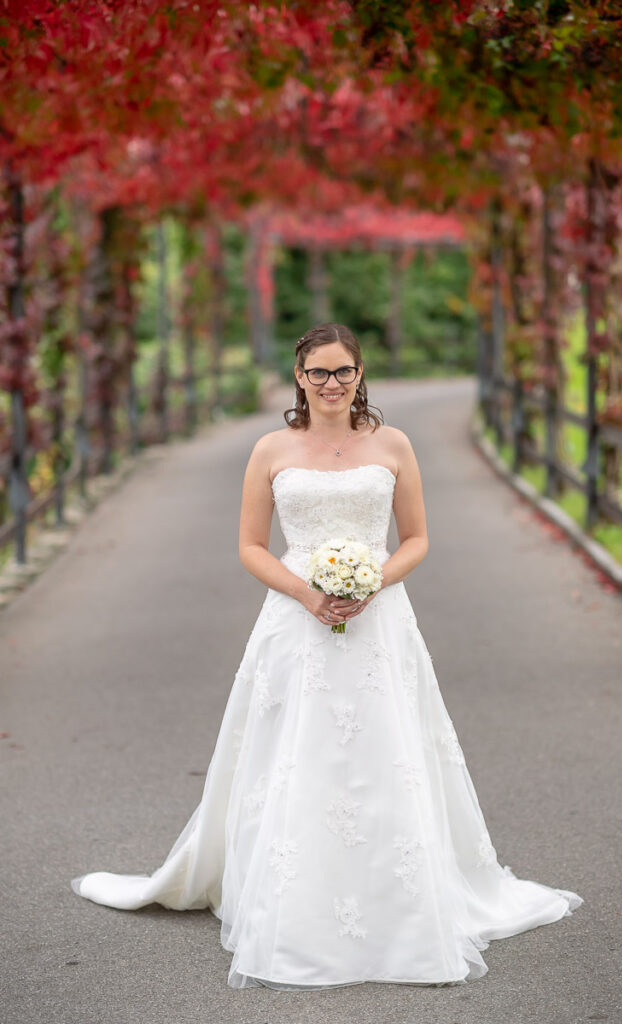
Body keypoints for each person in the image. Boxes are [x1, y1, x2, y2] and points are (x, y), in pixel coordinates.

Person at [71, 322, 583, 990]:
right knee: (296, 749)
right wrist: (306, 594)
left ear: (360, 374)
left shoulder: (393, 444)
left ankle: (400, 895)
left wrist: (374, 580)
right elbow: (252, 546)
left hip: (380, 620)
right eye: (319, 373)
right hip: (294, 620)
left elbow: (417, 538)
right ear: (298, 377)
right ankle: (290, 891)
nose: (333, 385)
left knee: (385, 750)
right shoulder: (270, 448)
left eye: (344, 372)